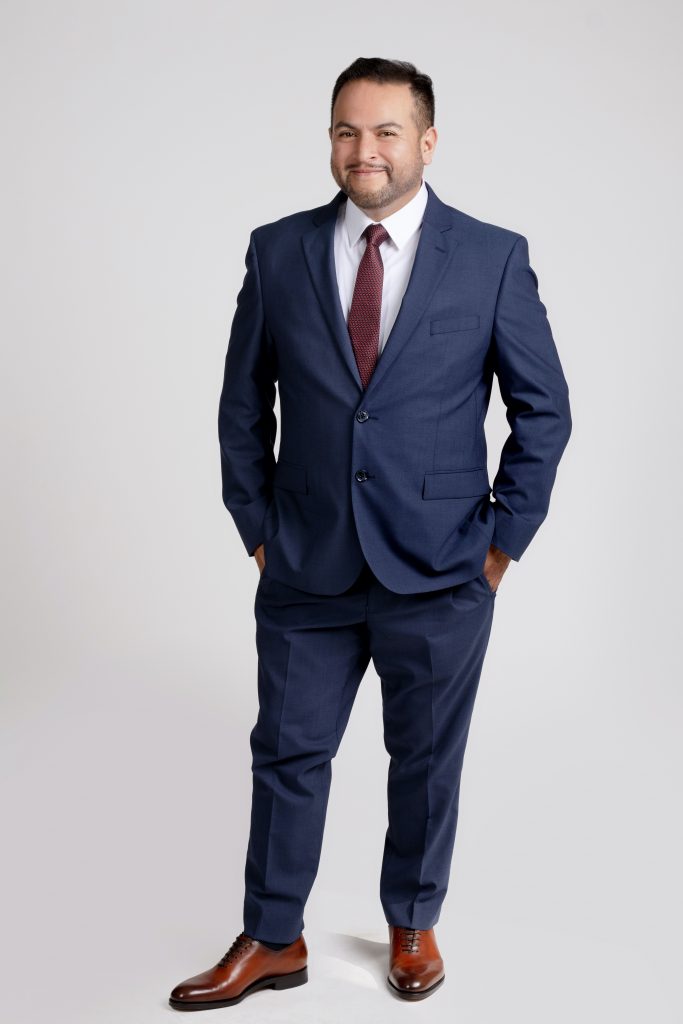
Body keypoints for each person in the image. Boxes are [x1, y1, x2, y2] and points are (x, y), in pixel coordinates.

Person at [169, 56, 572, 1010]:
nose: (365, 150)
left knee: (424, 764)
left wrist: (500, 547)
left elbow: (543, 410)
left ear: (426, 141)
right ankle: (273, 937)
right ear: (330, 140)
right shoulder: (278, 250)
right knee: (287, 754)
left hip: (441, 569)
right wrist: (256, 526)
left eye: (386, 131)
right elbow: (241, 405)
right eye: (347, 131)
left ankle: (413, 924)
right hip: (304, 561)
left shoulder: (491, 257)